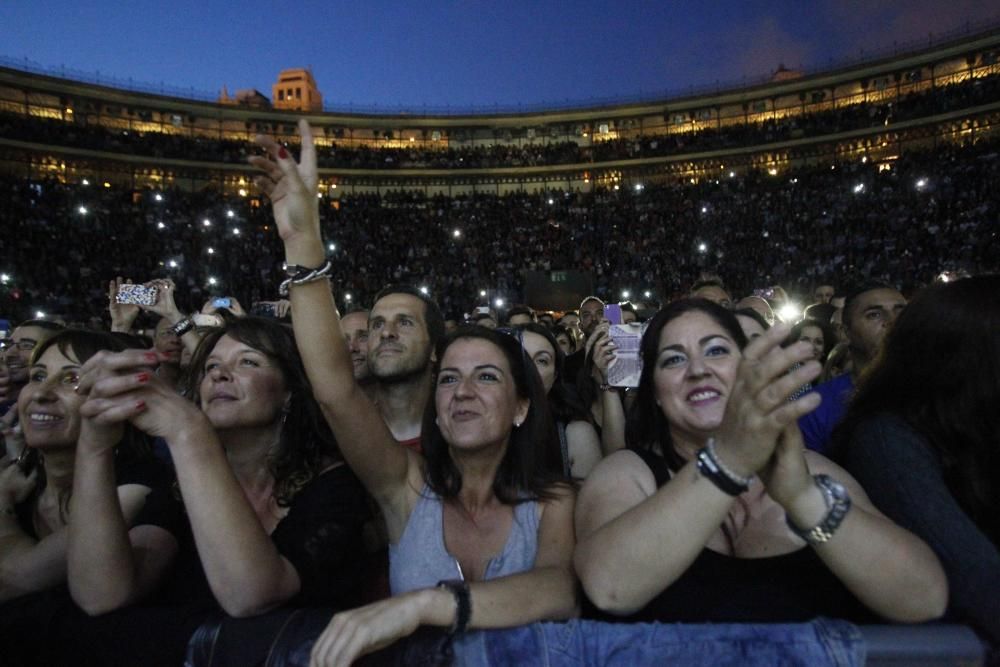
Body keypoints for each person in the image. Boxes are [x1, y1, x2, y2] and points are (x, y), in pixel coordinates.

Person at [249, 121, 577, 666]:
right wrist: (301, 240)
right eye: (449, 378)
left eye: (487, 376)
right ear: (437, 409)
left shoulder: (554, 502)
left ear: (523, 407)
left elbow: (559, 591)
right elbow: (335, 391)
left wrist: (423, 606)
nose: (463, 390)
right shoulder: (405, 491)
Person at [575, 298, 946, 625]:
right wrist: (728, 463)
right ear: (654, 392)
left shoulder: (809, 469)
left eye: (717, 351)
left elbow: (923, 599)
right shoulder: (628, 474)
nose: (699, 369)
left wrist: (803, 498)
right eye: (673, 359)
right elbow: (607, 588)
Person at [63, 315, 371, 665]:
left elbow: (250, 597)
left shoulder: (335, 485)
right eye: (211, 366)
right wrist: (95, 446)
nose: (219, 375)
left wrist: (189, 432)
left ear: (289, 392)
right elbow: (100, 594)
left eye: (248, 362)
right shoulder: (182, 482)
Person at [833, 275, 1000, 645]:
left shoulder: (976, 426)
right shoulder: (886, 439)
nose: (887, 322)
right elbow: (973, 577)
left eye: (898, 311)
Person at [0, 329, 173, 665]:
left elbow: (20, 578)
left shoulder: (143, 485)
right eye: (39, 376)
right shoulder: (19, 477)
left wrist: (1, 505)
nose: (43, 393)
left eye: (72, 380)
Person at [798, 283, 906, 452]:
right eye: (874, 315)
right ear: (846, 333)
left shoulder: (942, 394)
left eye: (902, 312)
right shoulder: (814, 408)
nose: (892, 321)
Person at [515, 323, 601, 479]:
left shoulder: (576, 433)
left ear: (555, 376)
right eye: (521, 356)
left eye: (541, 360)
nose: (529, 368)